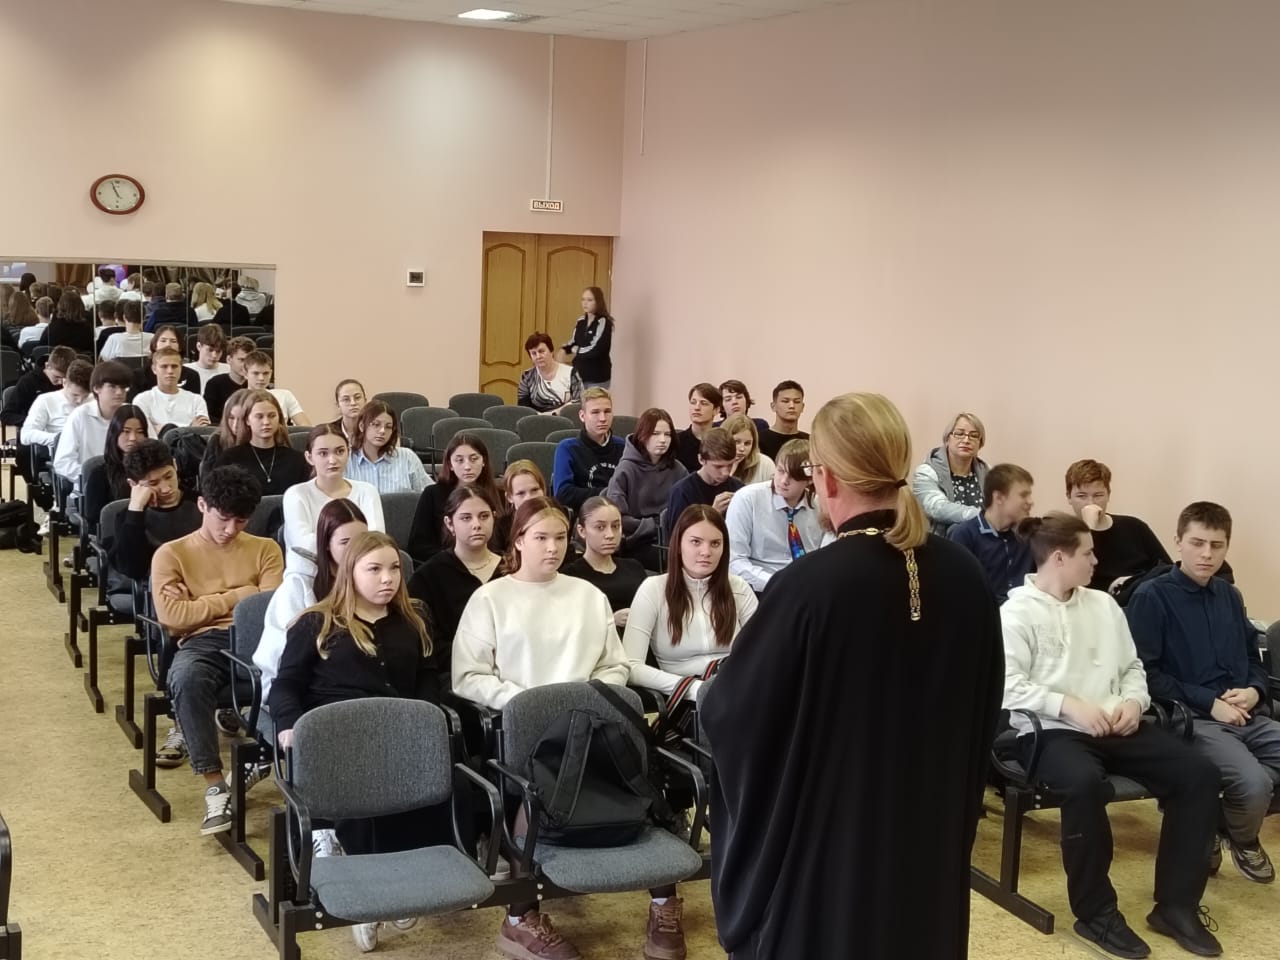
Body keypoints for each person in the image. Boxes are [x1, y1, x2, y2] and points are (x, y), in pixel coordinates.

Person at [700, 392, 1004, 960]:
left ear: (827, 477)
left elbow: (737, 715)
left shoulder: (810, 585)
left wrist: (713, 690)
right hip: (930, 832)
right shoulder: (965, 575)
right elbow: (986, 705)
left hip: (832, 848)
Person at [1002, 511, 1222, 958]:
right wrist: (1069, 705)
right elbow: (1008, 685)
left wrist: (1134, 703)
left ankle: (1176, 906)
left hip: (1115, 724)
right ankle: (1096, 913)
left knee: (1198, 774)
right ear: (1059, 558)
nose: (1096, 560)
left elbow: (1132, 668)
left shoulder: (1103, 605)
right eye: (1088, 553)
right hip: (1052, 731)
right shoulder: (1015, 613)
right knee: (1084, 785)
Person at [452, 496, 633, 960]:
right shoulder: (491, 598)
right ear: (517, 541)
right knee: (533, 786)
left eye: (559, 538)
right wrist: (527, 703)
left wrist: (583, 700)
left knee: (638, 769)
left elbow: (614, 666)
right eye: (540, 538)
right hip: (522, 728)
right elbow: (468, 676)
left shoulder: (588, 596)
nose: (552, 548)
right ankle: (520, 916)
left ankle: (662, 899)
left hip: (585, 724)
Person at [271, 528, 440, 951]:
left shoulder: (413, 620)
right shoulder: (317, 623)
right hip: (339, 736)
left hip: (397, 732)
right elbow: (286, 685)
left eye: (394, 569)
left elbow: (426, 678)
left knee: (428, 778)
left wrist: (426, 720)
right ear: (349, 572)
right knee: (363, 778)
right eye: (374, 569)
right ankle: (360, 886)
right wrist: (290, 724)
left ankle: (396, 886)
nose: (388, 578)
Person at [1128, 501, 1280, 885]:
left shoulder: (1229, 596)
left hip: (1245, 712)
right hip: (1192, 718)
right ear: (1178, 542)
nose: (1207, 554)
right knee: (1254, 783)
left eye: (1217, 545)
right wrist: (1208, 702)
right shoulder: (1152, 596)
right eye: (1197, 543)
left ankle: (1211, 821)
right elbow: (1145, 674)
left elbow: (1253, 658)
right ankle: (1243, 839)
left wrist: (1255, 691)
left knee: (1256, 782)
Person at [151, 465, 283, 835]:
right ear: (202, 505)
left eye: (240, 521)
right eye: (223, 519)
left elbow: (271, 607)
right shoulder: (171, 554)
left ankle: (265, 753)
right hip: (204, 640)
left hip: (259, 635)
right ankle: (215, 785)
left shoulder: (267, 549)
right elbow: (173, 618)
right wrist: (242, 593)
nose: (230, 529)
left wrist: (201, 602)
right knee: (186, 677)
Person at [624, 502, 756, 704]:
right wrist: (697, 689)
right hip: (685, 696)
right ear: (678, 545)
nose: (706, 552)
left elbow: (765, 650)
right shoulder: (653, 589)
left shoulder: (738, 587)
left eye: (715, 543)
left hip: (739, 688)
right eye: (696, 542)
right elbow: (631, 666)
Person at [256, 498, 368, 703]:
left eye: (362, 541)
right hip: (302, 688)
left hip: (352, 686)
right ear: (326, 544)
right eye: (345, 542)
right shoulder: (298, 586)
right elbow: (283, 659)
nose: (356, 550)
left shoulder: (369, 580)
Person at [408, 484, 505, 673]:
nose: (476, 524)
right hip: (454, 671)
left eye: (484, 516)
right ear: (449, 523)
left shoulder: (511, 569)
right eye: (466, 518)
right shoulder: (429, 575)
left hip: (512, 666)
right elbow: (426, 638)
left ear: (494, 517)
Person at [1065, 459, 1173, 601]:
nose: (1091, 503)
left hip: (1141, 601)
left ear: (1108, 495)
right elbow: (1069, 584)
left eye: (1098, 495)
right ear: (1069, 497)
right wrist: (1088, 528)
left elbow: (1168, 572)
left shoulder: (1134, 527)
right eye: (1081, 496)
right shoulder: (1062, 535)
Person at [725, 438, 823, 593]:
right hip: (760, 588)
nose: (783, 481)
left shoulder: (821, 506)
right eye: (781, 471)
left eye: (793, 476)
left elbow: (827, 557)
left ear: (810, 480)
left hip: (808, 589)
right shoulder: (747, 499)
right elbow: (734, 561)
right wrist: (780, 585)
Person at [282, 424, 384, 554]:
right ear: (309, 457)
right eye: (323, 453)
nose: (332, 460)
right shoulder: (296, 494)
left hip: (360, 563)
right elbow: (304, 545)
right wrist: (352, 544)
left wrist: (341, 545)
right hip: (311, 566)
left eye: (340, 451)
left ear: (348, 452)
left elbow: (376, 539)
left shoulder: (367, 491)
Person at [112, 439, 202, 582]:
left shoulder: (202, 504)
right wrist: (136, 510)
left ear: (175, 465)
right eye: (153, 483)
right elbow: (133, 570)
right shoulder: (127, 519)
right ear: (133, 484)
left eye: (169, 476)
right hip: (159, 585)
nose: (166, 488)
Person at [947, 462, 1036, 604]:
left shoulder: (1029, 535)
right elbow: (959, 591)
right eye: (1023, 495)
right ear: (999, 497)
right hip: (984, 614)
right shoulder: (964, 535)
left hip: (1024, 613)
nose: (1031, 502)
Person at [606, 407, 687, 558]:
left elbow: (687, 512)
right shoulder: (626, 469)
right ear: (642, 435)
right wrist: (654, 525)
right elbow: (616, 517)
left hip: (671, 538)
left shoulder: (678, 469)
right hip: (635, 540)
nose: (662, 440)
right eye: (655, 434)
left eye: (667, 434)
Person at [406, 433, 500, 563]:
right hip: (445, 565)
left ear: (483, 461)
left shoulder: (498, 495)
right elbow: (418, 546)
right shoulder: (432, 494)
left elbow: (505, 543)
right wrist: (456, 559)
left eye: (474, 459)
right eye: (459, 460)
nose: (467, 466)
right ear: (450, 464)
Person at [561, 497, 648, 630]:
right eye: (600, 527)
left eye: (615, 526)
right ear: (582, 531)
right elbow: (568, 625)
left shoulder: (634, 567)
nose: (610, 535)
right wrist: (609, 620)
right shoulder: (570, 576)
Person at [54, 361, 132, 491]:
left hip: (130, 485)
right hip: (92, 488)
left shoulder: (133, 413)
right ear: (96, 388)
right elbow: (62, 462)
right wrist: (95, 477)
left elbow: (152, 452)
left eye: (123, 387)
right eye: (112, 387)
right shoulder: (79, 416)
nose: (119, 392)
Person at [216, 390, 311, 495]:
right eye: (259, 416)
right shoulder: (229, 459)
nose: (266, 422)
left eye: (272, 416)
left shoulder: (297, 460)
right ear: (247, 420)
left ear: (279, 418)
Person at [912, 410, 990, 536]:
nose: (966, 440)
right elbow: (937, 508)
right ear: (947, 439)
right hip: (939, 543)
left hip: (982, 541)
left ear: (980, 444)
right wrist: (985, 516)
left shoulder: (988, 473)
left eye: (974, 436)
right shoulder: (926, 472)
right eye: (959, 434)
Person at [551, 386, 624, 509]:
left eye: (607, 411)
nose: (602, 418)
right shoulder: (568, 448)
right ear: (582, 416)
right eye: (595, 412)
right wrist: (610, 493)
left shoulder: (623, 446)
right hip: (583, 514)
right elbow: (563, 494)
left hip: (619, 513)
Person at [345, 398, 430, 494]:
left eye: (388, 427)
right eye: (376, 424)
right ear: (362, 426)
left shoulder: (407, 457)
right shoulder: (347, 460)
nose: (382, 431)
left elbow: (429, 495)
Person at [665, 427, 742, 529]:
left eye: (730, 465)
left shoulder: (739, 489)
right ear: (701, 459)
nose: (725, 473)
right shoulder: (682, 492)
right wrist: (713, 514)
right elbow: (678, 535)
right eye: (718, 466)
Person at [83, 405, 149, 523]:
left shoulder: (153, 470)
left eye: (140, 432)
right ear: (115, 433)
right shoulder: (99, 474)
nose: (133, 438)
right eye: (126, 431)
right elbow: (94, 521)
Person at [132, 348, 211, 435]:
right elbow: (145, 433)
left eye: (174, 366)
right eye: (164, 366)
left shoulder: (197, 400)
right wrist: (190, 428)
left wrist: (159, 429)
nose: (170, 371)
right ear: (154, 369)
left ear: (181, 368)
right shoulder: (142, 400)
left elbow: (203, 433)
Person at [20, 358, 90, 451]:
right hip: (63, 450)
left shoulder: (95, 400)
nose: (80, 401)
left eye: (85, 396)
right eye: (75, 395)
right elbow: (26, 435)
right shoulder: (45, 400)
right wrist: (58, 438)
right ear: (64, 382)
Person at [2, 345, 75, 428]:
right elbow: (6, 415)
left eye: (65, 378)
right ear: (47, 366)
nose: (61, 382)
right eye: (57, 377)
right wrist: (34, 420)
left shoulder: (73, 381)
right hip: (36, 428)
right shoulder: (28, 381)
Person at [558, 286, 614, 390]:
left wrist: (577, 350)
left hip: (597, 378)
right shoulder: (581, 321)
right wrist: (564, 349)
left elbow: (596, 349)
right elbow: (574, 341)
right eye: (583, 299)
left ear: (598, 302)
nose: (585, 303)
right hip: (579, 376)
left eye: (589, 300)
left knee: (594, 401)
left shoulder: (604, 322)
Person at [516, 331, 582, 413]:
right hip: (535, 419)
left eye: (541, 351)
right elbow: (523, 409)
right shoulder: (527, 376)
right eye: (534, 353)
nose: (538, 356)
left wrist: (551, 414)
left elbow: (577, 404)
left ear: (551, 351)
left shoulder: (571, 373)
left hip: (565, 419)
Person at [129, 325, 202, 398]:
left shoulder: (191, 376)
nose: (168, 345)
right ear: (155, 345)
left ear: (179, 347)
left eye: (173, 341)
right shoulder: (138, 376)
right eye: (163, 341)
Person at [243, 350, 312, 426]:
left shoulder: (284, 395)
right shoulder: (238, 400)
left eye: (266, 373)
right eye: (256, 373)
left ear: (271, 373)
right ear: (245, 374)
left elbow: (305, 425)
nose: (261, 378)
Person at [492, 459, 546, 555]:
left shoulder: (558, 519)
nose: (529, 498)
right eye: (521, 493)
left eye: (535, 490)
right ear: (509, 497)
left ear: (543, 490)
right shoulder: (500, 527)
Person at [200, 388, 250, 480]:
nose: (235, 425)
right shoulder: (217, 440)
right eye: (231, 418)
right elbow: (206, 480)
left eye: (242, 419)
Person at [203, 335, 255, 422]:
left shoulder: (257, 383)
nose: (245, 365)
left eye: (249, 360)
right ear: (229, 359)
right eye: (241, 360)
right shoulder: (215, 383)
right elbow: (208, 415)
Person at [672, 382, 721, 473]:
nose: (697, 407)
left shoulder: (722, 441)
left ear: (716, 410)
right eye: (693, 402)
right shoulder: (676, 442)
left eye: (704, 403)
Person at [757, 380, 808, 460]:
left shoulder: (810, 441)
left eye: (797, 402)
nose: (791, 406)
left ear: (802, 407)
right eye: (785, 401)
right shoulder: (759, 440)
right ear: (773, 406)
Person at [722, 412, 775, 485]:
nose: (742, 449)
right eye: (737, 442)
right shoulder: (713, 463)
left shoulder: (765, 464)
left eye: (747, 443)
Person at [45, 289, 94, 354]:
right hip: (80, 360)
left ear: (60, 306)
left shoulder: (52, 328)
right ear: (81, 306)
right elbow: (94, 351)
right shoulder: (88, 329)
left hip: (56, 359)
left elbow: (40, 350)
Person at [184, 323, 228, 392]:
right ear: (199, 346)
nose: (214, 355)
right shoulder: (184, 371)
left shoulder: (230, 371)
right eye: (210, 350)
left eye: (218, 351)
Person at [332, 378, 366, 442]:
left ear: (365, 401)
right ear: (338, 405)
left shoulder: (375, 429)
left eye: (357, 397)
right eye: (346, 399)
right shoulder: (329, 433)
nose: (353, 403)